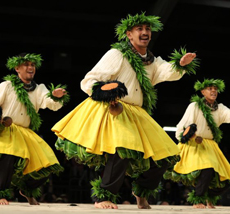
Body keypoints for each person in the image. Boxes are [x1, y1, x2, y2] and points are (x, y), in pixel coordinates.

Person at [52, 12, 199, 209]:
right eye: (140, 29)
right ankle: (104, 196)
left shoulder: (152, 61)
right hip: (115, 108)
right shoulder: (117, 54)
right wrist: (105, 93)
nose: (145, 32)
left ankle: (141, 191)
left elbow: (166, 72)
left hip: (137, 113)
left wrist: (180, 65)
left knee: (164, 156)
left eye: (147, 29)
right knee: (121, 149)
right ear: (129, 34)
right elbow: (89, 80)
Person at [0, 53, 69, 205]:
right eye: (26, 64)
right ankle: (1, 194)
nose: (30, 67)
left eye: (32, 65)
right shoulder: (6, 86)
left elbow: (50, 103)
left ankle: (27, 190)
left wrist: (56, 97)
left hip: (25, 132)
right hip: (4, 129)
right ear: (17, 68)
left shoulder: (39, 89)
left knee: (47, 164)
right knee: (8, 156)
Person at [164, 78, 230, 208]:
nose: (213, 91)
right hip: (194, 143)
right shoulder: (195, 106)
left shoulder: (219, 108)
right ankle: (198, 200)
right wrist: (191, 136)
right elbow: (183, 126)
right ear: (203, 92)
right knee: (207, 168)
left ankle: (209, 197)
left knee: (225, 179)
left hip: (211, 146)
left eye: (215, 89)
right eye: (210, 89)